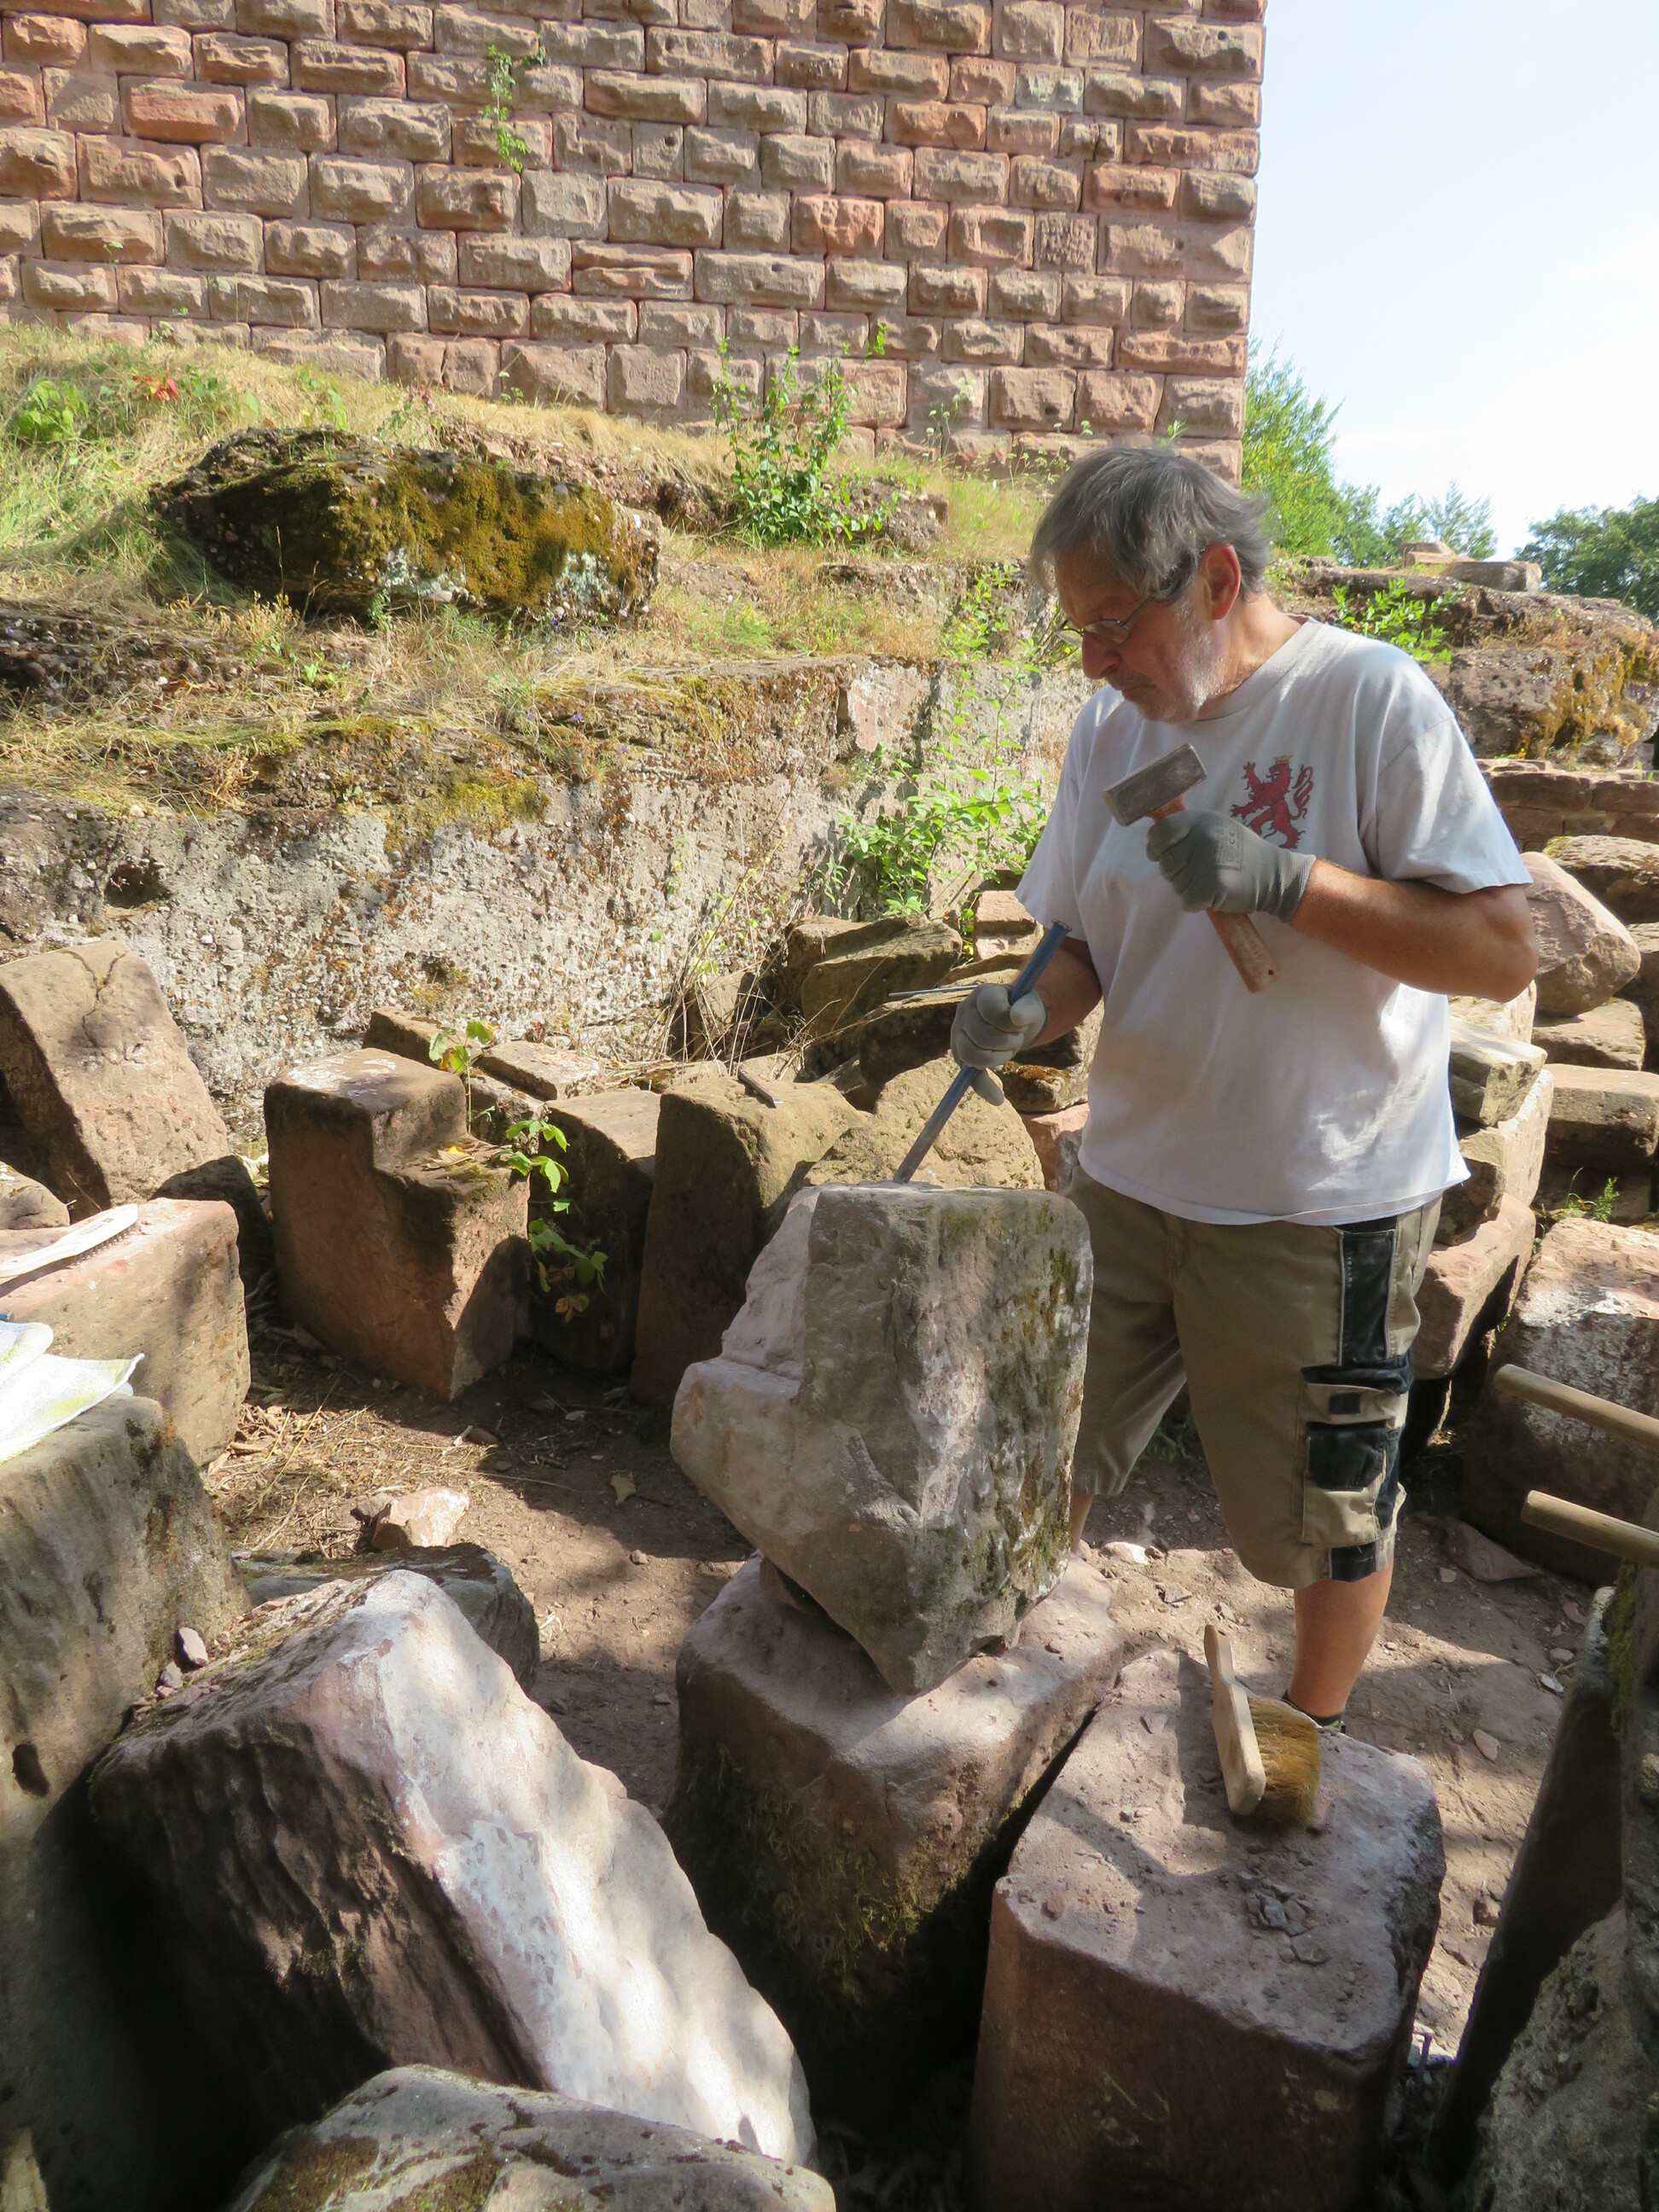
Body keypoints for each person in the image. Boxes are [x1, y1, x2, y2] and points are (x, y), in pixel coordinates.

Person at [951, 447, 1536, 1728]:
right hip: (1128, 1175)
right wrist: (1027, 1009)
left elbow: (1502, 949)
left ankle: (1309, 1732)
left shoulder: (1367, 699)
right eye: (1079, 632)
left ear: (1216, 581)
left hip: (1317, 1200)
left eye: (1115, 625)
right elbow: (1086, 940)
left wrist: (1284, 879)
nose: (1094, 663)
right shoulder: (1115, 730)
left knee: (1326, 1514)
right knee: (1042, 1437)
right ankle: (993, 1676)